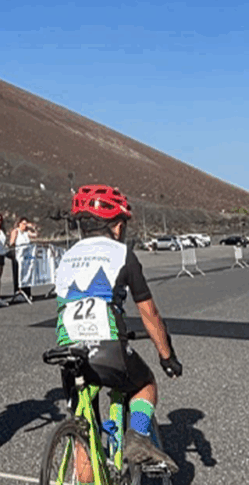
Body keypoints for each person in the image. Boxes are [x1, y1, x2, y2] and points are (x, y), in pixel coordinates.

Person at [55, 185, 181, 476]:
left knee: (85, 432)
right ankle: (137, 437)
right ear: (118, 224)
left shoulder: (66, 257)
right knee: (144, 383)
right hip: (107, 346)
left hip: (68, 351)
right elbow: (149, 312)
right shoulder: (121, 253)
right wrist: (167, 356)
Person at [8, 217, 37, 302]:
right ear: (19, 224)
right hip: (18, 257)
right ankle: (18, 292)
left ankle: (27, 292)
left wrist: (32, 227)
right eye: (23, 224)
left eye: (26, 224)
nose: (24, 226)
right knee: (18, 274)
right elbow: (11, 243)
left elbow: (35, 235)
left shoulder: (26, 232)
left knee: (27, 274)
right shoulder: (16, 231)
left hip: (26, 258)